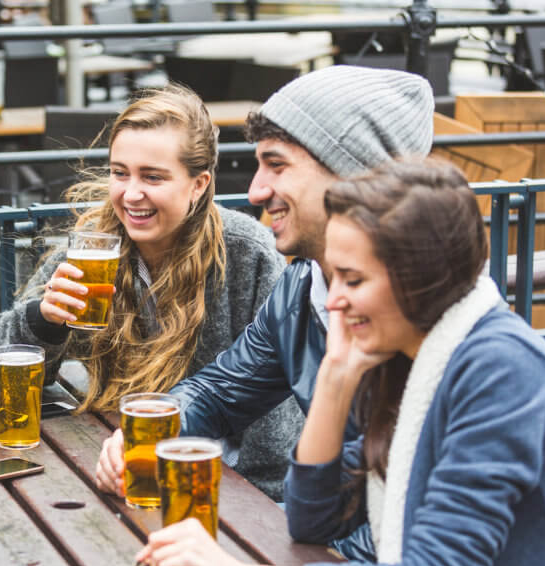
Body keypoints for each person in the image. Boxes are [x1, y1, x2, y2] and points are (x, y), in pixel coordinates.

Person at [133, 160, 545, 566]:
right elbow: (313, 520)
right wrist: (337, 377)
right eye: (331, 276)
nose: (333, 301)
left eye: (353, 279)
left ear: (419, 282)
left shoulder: (502, 370)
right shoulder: (407, 357)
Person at [96, 65, 435, 510]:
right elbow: (221, 392)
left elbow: (419, 547)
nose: (255, 191)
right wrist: (147, 432)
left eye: (276, 165)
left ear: (353, 176)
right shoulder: (302, 289)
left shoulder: (442, 337)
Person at [0, 84, 304, 478]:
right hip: (111, 454)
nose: (131, 194)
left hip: (215, 477)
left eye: (152, 177)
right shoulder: (94, 245)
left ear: (198, 185)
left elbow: (277, 422)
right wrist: (43, 321)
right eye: (120, 173)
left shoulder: (246, 253)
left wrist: (257, 509)